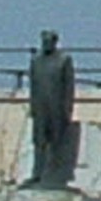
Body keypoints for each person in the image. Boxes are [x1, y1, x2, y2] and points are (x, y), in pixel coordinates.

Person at [23, 30, 77, 190]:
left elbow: (69, 87)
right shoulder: (36, 61)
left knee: (56, 142)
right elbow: (33, 85)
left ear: (55, 42)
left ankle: (55, 175)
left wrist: (68, 109)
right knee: (39, 141)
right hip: (40, 106)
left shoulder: (64, 60)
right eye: (44, 41)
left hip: (57, 108)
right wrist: (33, 107)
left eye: (49, 41)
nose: (46, 44)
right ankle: (37, 173)